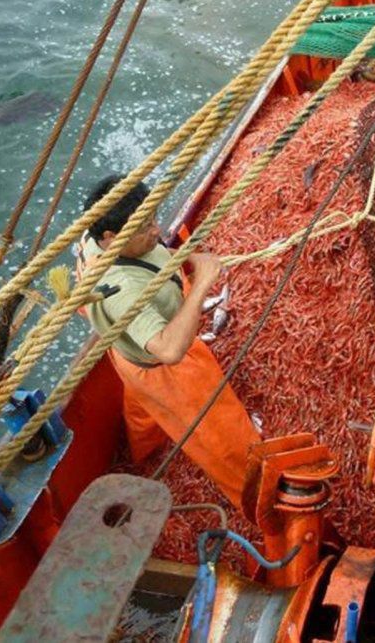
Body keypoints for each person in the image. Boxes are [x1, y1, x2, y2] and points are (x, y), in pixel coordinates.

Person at [77, 175, 259, 507]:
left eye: (154, 218)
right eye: (145, 226)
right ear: (110, 237)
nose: (157, 230)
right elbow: (170, 350)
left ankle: (142, 452)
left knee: (143, 411)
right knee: (224, 440)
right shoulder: (120, 288)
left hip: (127, 354)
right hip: (163, 369)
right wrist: (202, 282)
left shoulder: (91, 240)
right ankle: (258, 499)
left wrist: (185, 263)